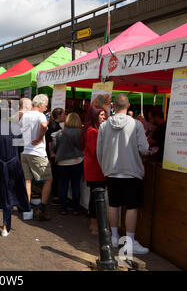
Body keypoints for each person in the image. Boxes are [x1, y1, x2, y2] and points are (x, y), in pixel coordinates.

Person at [97, 94, 150, 254]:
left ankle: (114, 238)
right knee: (132, 207)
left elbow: (99, 151)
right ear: (128, 107)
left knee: (113, 205)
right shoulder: (136, 125)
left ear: (114, 106)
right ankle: (130, 241)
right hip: (131, 171)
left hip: (112, 171)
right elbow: (144, 149)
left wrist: (105, 167)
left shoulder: (104, 126)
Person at [0, 107, 30, 237]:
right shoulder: (15, 128)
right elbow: (21, 147)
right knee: (9, 194)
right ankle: (5, 226)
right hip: (12, 165)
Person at [20, 94, 53, 221]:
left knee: (27, 180)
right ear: (40, 104)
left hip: (25, 151)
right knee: (48, 179)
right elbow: (44, 126)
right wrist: (39, 138)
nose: (46, 108)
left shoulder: (25, 115)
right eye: (45, 105)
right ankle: (41, 208)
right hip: (37, 152)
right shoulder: (40, 115)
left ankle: (27, 208)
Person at [82, 106, 107, 234]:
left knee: (96, 196)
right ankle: (94, 225)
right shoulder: (92, 131)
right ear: (95, 116)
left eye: (104, 114)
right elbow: (96, 151)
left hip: (97, 169)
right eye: (101, 115)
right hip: (95, 169)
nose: (104, 117)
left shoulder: (96, 130)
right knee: (95, 197)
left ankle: (95, 224)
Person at [53, 112, 84, 216]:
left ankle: (63, 208)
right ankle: (75, 209)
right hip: (77, 161)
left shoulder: (60, 133)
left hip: (62, 162)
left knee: (63, 185)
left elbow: (55, 147)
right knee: (76, 185)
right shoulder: (81, 133)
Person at [45, 108, 66, 205]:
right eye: (63, 114)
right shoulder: (54, 127)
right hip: (54, 155)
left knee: (54, 175)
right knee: (55, 176)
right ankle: (55, 197)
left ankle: (54, 196)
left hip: (53, 154)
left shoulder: (55, 125)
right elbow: (50, 141)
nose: (65, 116)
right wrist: (52, 153)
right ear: (59, 116)